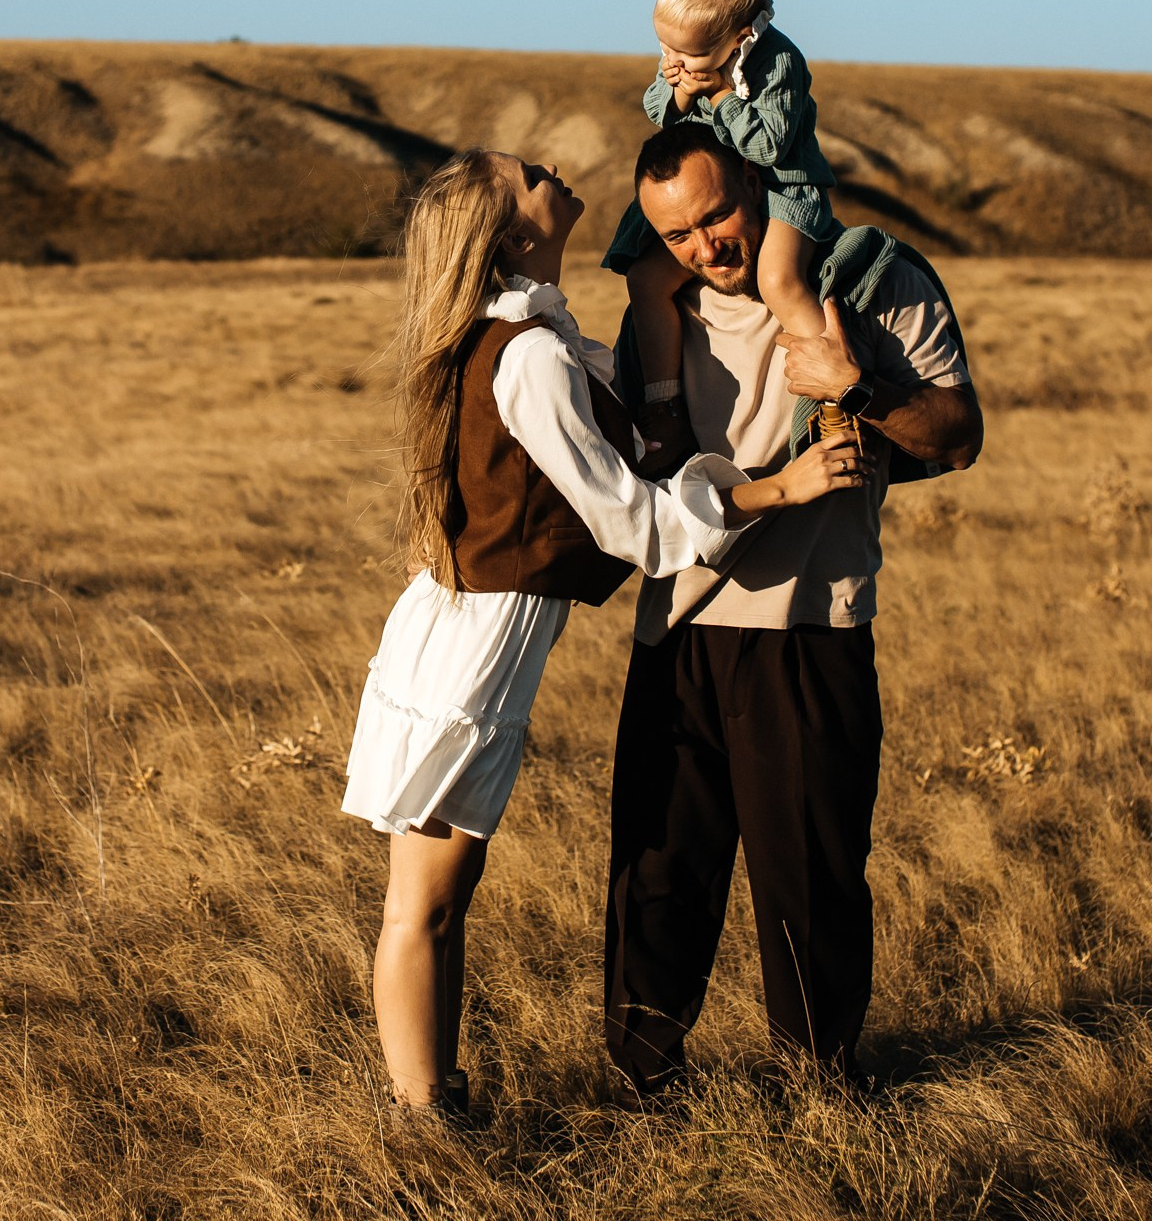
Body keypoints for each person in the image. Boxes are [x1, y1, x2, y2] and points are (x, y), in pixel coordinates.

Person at [339, 146, 867, 1120]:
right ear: (511, 232)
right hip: (471, 646)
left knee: (441, 902)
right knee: (424, 905)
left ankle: (440, 1098)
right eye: (529, 171)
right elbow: (634, 520)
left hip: (473, 628)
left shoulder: (531, 335)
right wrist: (777, 489)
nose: (553, 164)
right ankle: (421, 1126)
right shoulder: (530, 355)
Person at [603, 122, 984, 1097]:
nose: (706, 246)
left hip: (814, 627)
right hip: (678, 627)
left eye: (719, 213)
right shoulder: (664, 304)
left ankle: (823, 1093)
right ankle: (645, 1077)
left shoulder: (871, 280)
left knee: (810, 879)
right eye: (679, 233)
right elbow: (639, 469)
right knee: (660, 870)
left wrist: (857, 384)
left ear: (758, 183)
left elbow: (957, 435)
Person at [600, 0, 842, 475]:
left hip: (781, 187)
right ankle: (661, 401)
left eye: (688, 54)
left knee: (779, 281)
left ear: (737, 37)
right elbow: (658, 111)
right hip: (712, 184)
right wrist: (682, 89)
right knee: (646, 278)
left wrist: (718, 95)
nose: (676, 59)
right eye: (667, 49)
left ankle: (831, 396)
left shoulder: (779, 62)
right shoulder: (689, 55)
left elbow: (769, 144)